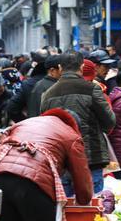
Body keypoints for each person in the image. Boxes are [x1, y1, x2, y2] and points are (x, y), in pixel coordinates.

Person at [41, 52, 115, 194]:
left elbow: (45, 126)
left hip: (62, 158)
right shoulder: (92, 89)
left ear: (60, 68)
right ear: (81, 67)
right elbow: (110, 121)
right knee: (91, 207)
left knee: (67, 208)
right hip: (90, 156)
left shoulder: (48, 94)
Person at [8, 50, 49, 122]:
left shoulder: (27, 84)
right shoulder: (59, 82)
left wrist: (25, 121)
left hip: (33, 125)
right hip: (54, 127)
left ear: (34, 64)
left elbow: (12, 109)